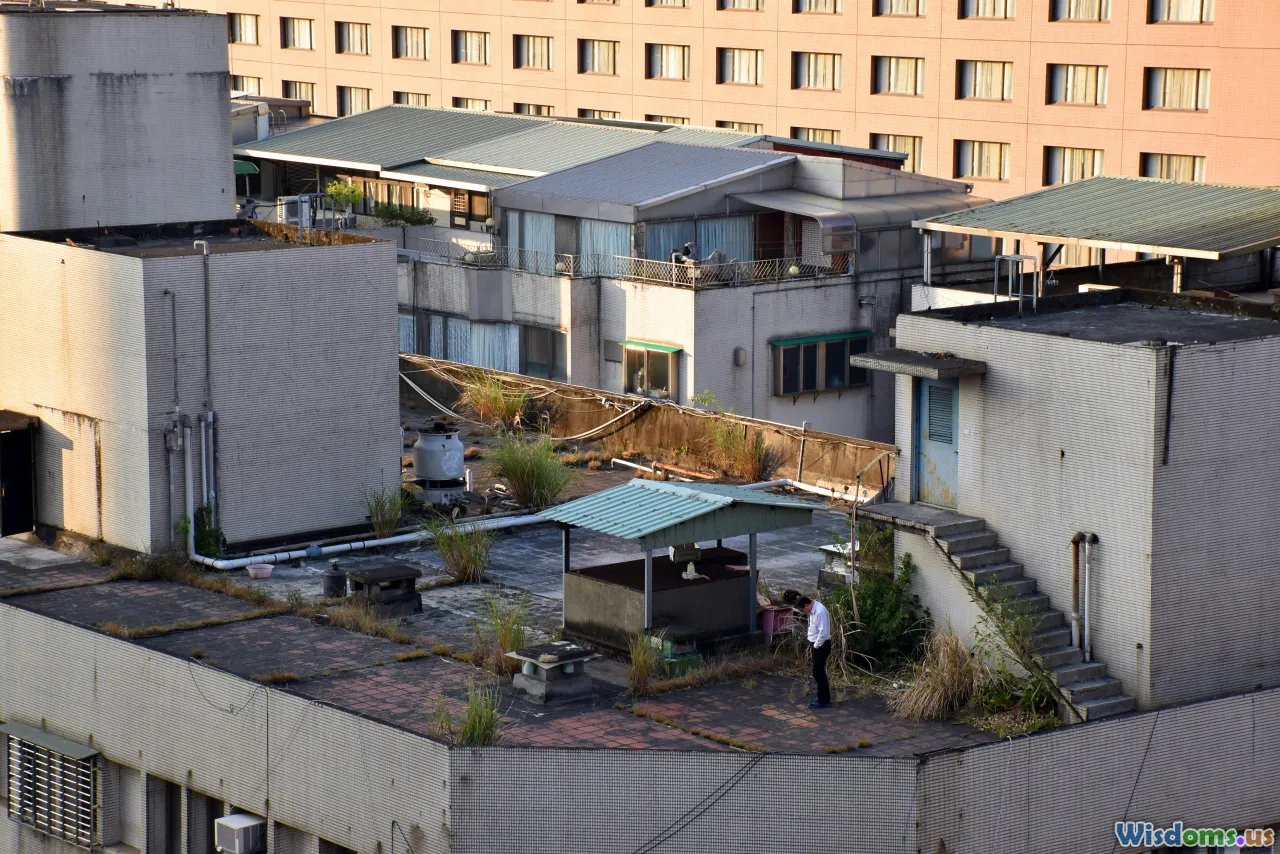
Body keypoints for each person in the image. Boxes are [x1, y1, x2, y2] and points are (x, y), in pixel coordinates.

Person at [798, 595, 831, 709]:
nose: (804, 612)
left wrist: (816, 646)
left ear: (807, 605)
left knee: (818, 672)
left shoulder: (820, 611)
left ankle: (823, 700)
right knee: (818, 672)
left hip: (821, 645)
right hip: (816, 644)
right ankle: (824, 698)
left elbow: (823, 632)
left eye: (803, 610)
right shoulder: (813, 610)